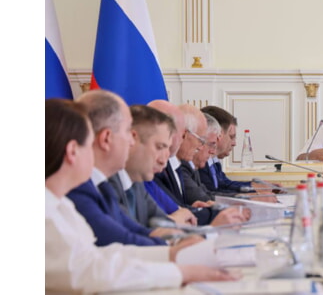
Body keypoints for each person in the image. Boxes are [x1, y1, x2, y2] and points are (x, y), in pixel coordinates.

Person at [46, 99, 234, 292]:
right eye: (89, 145)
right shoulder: (58, 206)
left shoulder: (66, 203)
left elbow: (107, 253)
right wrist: (179, 270)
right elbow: (90, 270)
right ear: (73, 151)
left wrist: (172, 254)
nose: (131, 142)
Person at [66, 90, 168, 246]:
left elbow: (134, 230)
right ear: (106, 138)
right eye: (127, 131)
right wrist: (174, 248)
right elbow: (120, 240)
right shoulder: (77, 187)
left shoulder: (103, 186)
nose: (132, 142)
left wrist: (178, 240)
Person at [150, 100, 247, 227]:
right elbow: (165, 218)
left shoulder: (175, 166)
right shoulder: (159, 169)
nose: (201, 147)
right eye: (201, 140)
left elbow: (179, 209)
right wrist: (216, 213)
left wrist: (195, 210)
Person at [107, 105, 185, 231]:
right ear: (132, 139)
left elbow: (165, 224)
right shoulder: (106, 184)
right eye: (159, 147)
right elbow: (127, 235)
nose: (163, 161)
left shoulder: (137, 184)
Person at [199, 106, 278, 199]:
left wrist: (254, 187)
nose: (234, 143)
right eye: (231, 137)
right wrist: (250, 196)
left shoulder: (213, 160)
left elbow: (224, 184)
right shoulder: (199, 161)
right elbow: (210, 194)